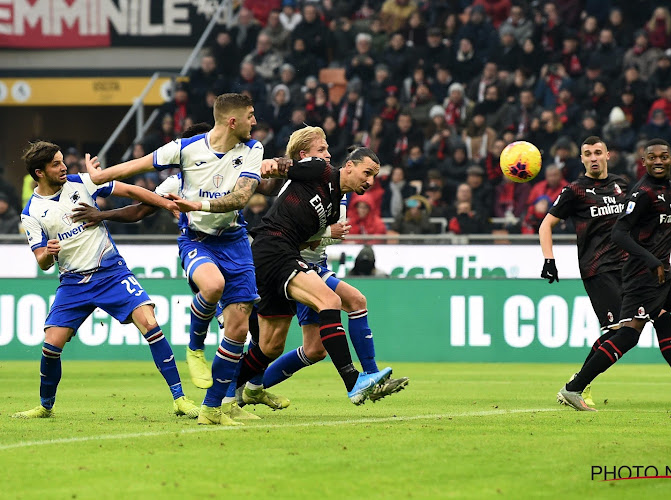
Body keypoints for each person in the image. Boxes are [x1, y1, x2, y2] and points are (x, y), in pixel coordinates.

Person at [86, 93, 273, 426]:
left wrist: (196, 205)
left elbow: (243, 196)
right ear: (233, 120)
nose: (255, 121)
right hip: (198, 241)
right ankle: (194, 347)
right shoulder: (185, 150)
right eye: (251, 115)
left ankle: (214, 408)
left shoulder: (253, 150)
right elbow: (136, 167)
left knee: (239, 327)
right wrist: (98, 177)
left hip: (235, 242)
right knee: (212, 286)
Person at [13, 142, 199, 419]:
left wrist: (167, 203)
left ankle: (180, 398)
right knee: (51, 345)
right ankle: (45, 406)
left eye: (63, 161)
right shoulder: (31, 213)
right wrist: (48, 254)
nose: (64, 167)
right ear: (39, 173)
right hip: (73, 283)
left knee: (150, 323)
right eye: (56, 164)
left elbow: (131, 191)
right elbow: (41, 260)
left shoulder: (82, 183)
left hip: (111, 273)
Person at [539, 136, 671, 407]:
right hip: (599, 270)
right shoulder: (574, 191)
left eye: (598, 152)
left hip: (630, 267)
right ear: (582, 159)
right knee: (619, 332)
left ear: (607, 155)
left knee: (661, 317)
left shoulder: (623, 186)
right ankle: (579, 385)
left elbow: (650, 227)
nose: (594, 157)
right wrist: (549, 260)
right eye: (588, 154)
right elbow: (545, 225)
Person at [249, 129, 408, 402]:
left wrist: (323, 236)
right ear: (304, 155)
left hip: (308, 264)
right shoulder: (307, 176)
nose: (328, 155)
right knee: (352, 300)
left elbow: (312, 234)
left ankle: (249, 388)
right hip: (291, 262)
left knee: (310, 350)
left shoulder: (335, 194)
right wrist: (324, 234)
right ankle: (366, 377)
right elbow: (294, 229)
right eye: (322, 150)